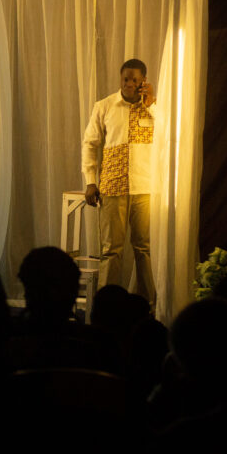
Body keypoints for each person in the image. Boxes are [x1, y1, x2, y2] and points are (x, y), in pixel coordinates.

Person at [82, 58, 157, 310]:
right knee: (111, 250)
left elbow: (168, 134)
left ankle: (149, 304)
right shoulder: (104, 106)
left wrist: (152, 104)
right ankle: (106, 306)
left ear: (143, 81)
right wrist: (90, 182)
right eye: (126, 78)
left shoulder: (153, 109)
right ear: (120, 78)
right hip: (113, 187)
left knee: (143, 248)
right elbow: (90, 145)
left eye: (135, 80)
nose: (129, 84)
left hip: (144, 188)